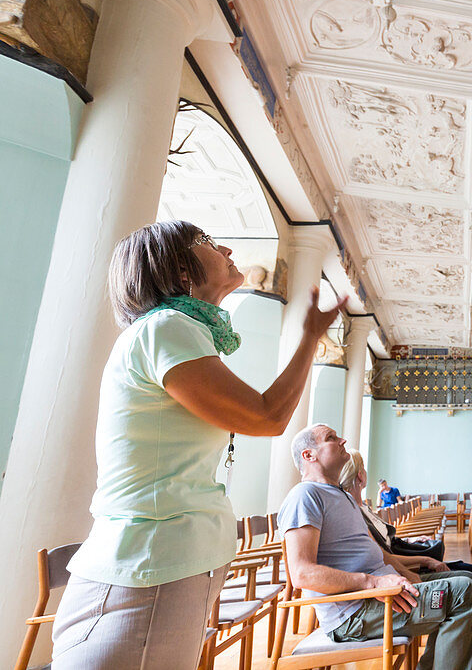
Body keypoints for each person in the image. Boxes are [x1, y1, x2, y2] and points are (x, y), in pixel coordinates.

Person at [51, 220, 345, 670]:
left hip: (155, 568)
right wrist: (308, 337)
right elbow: (267, 417)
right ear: (182, 271)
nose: (226, 247)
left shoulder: (173, 330)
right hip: (147, 571)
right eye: (207, 241)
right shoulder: (167, 327)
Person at [281, 425, 472, 670]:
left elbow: (380, 555)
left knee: (467, 577)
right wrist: (373, 583)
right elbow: (302, 573)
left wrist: (412, 571)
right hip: (354, 611)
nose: (343, 440)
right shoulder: (305, 495)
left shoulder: (340, 495)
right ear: (309, 455)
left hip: (381, 594)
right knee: (463, 592)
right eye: (331, 438)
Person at [339, 447, 472, 669]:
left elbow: (383, 548)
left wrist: (414, 547)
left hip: (390, 574)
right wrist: (418, 565)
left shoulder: (356, 507)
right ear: (361, 476)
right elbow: (382, 556)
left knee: (467, 577)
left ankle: (471, 655)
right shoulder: (348, 509)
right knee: (465, 583)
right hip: (380, 588)